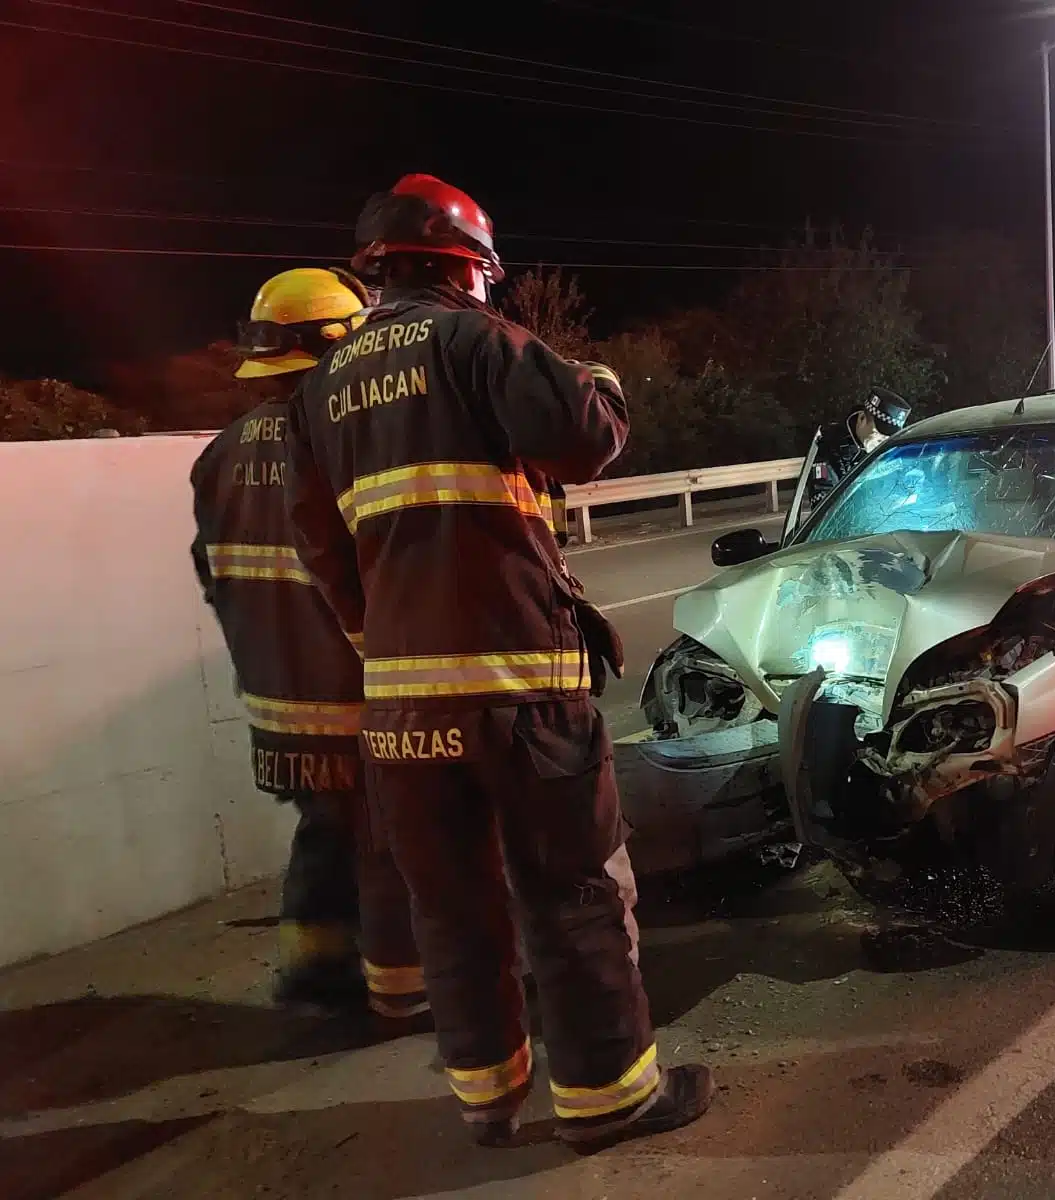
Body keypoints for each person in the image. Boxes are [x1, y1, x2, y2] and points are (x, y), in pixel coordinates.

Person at [281, 173, 712, 1149]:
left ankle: (488, 1098)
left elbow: (322, 550)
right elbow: (584, 436)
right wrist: (597, 379)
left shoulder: (317, 395)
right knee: (572, 894)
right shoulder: (474, 342)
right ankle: (609, 1100)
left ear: (377, 272)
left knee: (453, 912)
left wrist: (383, 643)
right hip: (521, 698)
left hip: (403, 714)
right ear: (463, 267)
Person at [190, 267, 425, 1020]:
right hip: (353, 700)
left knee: (326, 835)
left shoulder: (220, 454)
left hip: (276, 705)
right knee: (392, 847)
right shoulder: (338, 440)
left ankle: (313, 972)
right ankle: (407, 987)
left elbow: (213, 573)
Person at [808, 385, 912, 504]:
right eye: (879, 434)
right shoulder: (830, 447)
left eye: (888, 437)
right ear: (862, 418)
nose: (882, 442)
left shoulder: (891, 448)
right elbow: (822, 503)